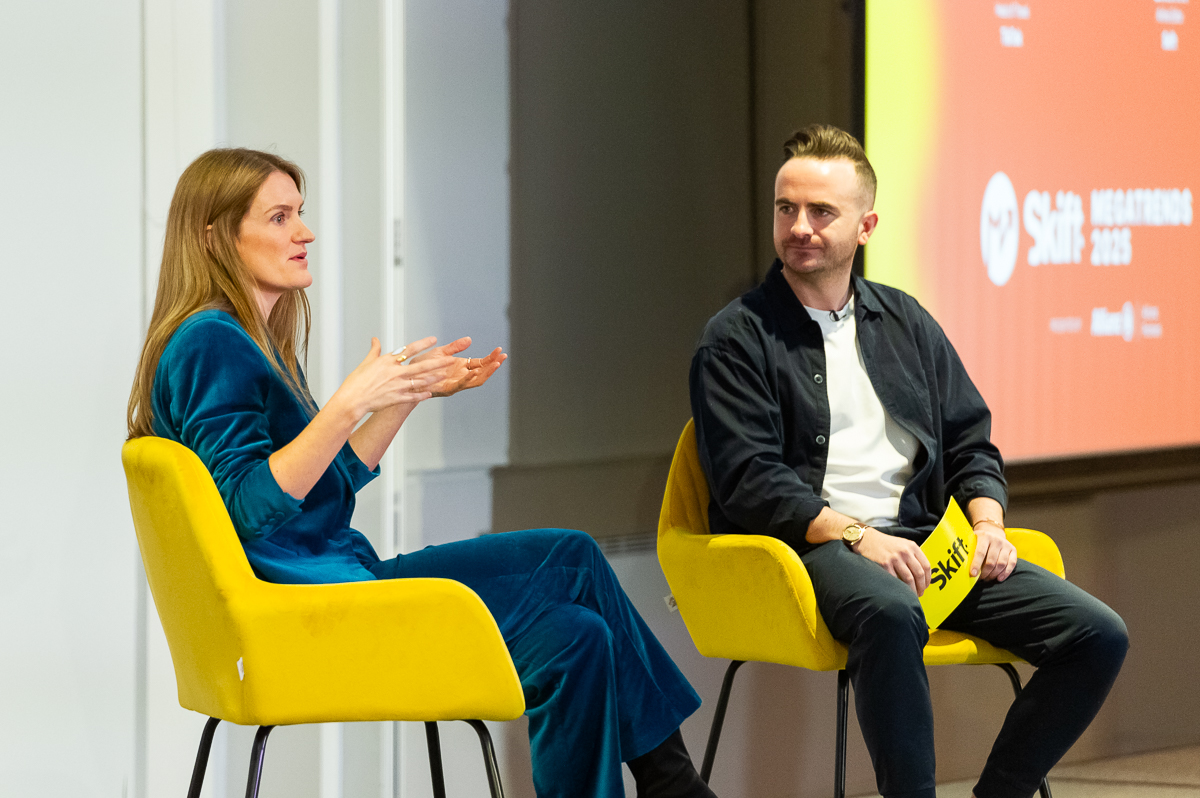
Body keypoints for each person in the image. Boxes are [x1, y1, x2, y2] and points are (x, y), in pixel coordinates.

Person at [126, 147, 717, 798]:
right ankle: (678, 788)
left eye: (301, 212)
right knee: (573, 557)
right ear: (214, 235)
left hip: (336, 585)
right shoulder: (210, 343)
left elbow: (325, 489)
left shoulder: (250, 341)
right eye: (280, 217)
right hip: (311, 611)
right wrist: (351, 403)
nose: (305, 232)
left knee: (577, 638)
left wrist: (406, 395)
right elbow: (246, 506)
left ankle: (673, 787)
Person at [689, 125, 1128, 798]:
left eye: (821, 212)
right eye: (786, 209)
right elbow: (752, 485)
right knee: (892, 611)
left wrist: (987, 524)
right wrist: (861, 537)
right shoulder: (736, 339)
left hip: (924, 541)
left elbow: (969, 441)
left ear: (864, 226)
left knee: (1097, 634)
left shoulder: (905, 321)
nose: (799, 227)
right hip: (809, 548)